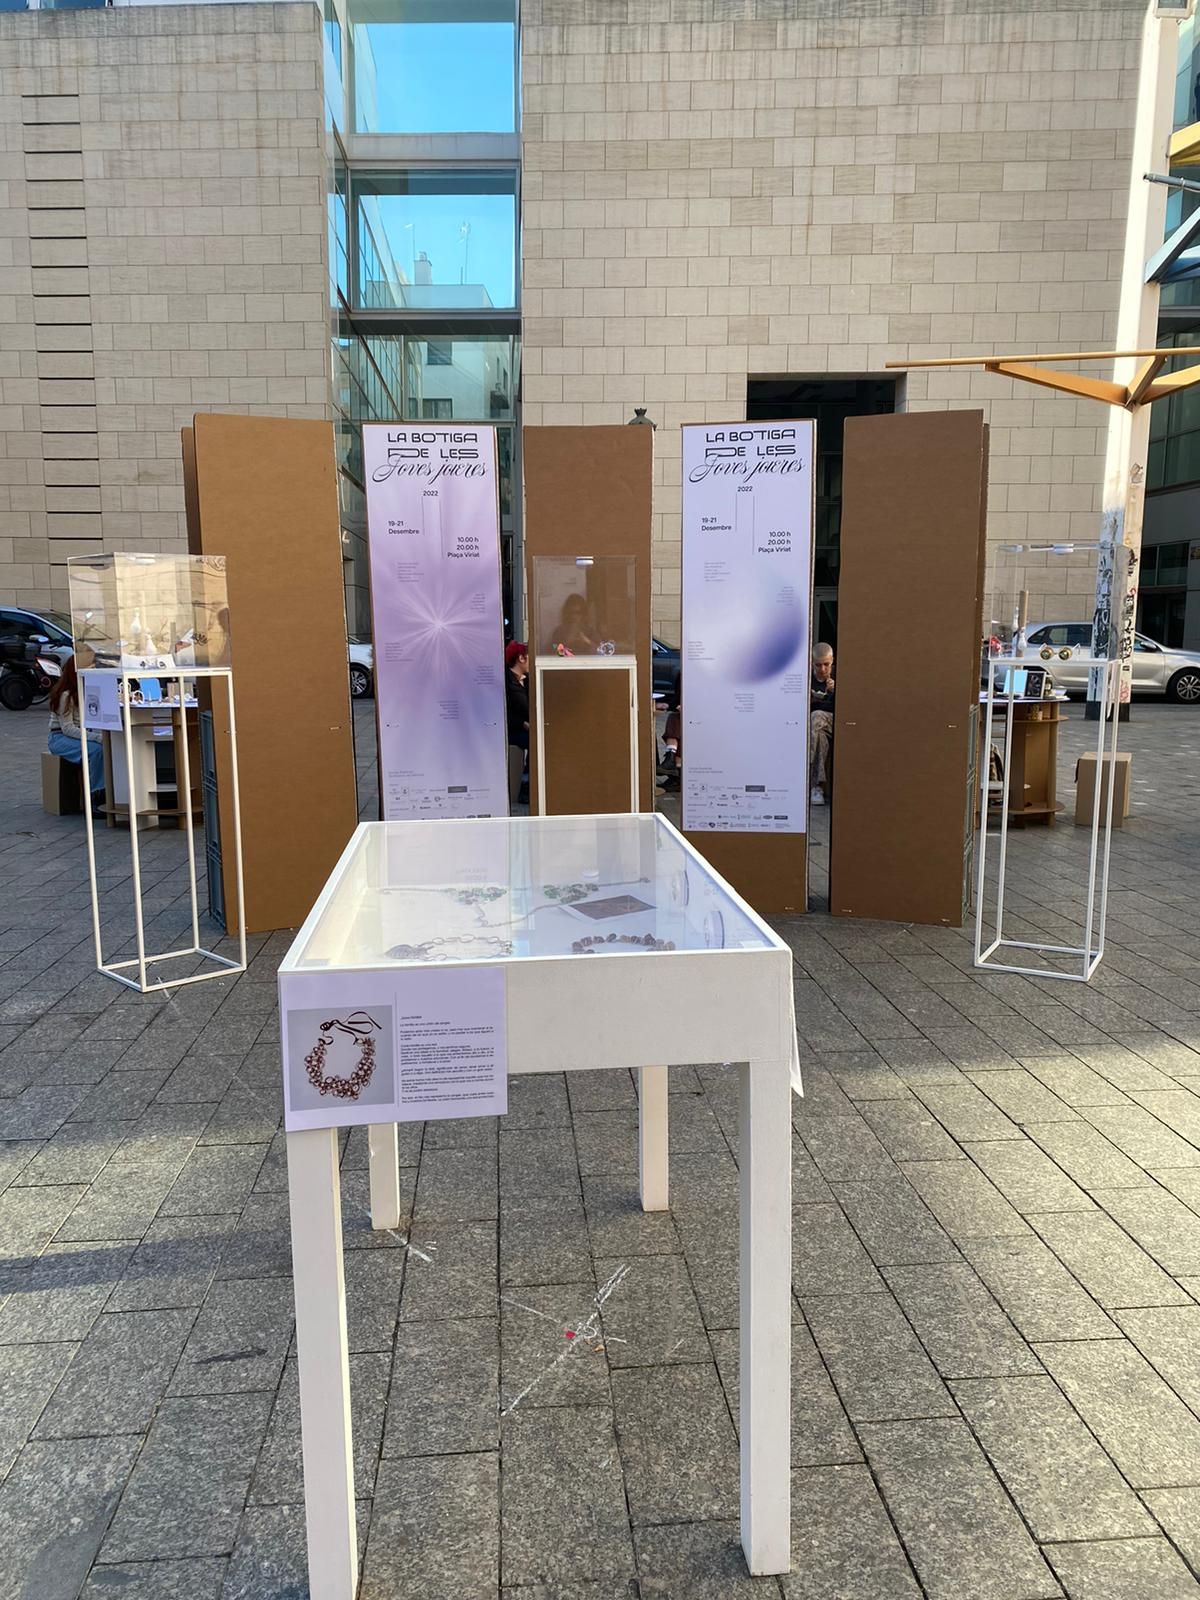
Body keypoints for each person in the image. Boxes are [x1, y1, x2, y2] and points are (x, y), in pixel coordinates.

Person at [48, 653, 104, 803]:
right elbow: (68, 728)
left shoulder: (88, 692)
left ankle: (104, 790)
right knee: (97, 750)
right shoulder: (66, 695)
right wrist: (97, 737)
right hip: (60, 737)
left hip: (79, 733)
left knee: (104, 748)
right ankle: (96, 794)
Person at [504, 640, 529, 808]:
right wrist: (523, 724)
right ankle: (526, 786)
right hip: (513, 730)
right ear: (521, 658)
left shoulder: (524, 680)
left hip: (522, 727)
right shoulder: (508, 683)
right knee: (535, 742)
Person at [810, 642, 834, 807]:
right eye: (818, 665)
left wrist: (835, 693)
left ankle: (808, 779)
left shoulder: (840, 677)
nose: (823, 669)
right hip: (814, 726)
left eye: (827, 664)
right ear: (812, 663)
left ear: (833, 661)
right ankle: (816, 786)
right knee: (820, 736)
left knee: (817, 716)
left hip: (834, 720)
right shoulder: (806, 678)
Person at [658, 668, 681, 794]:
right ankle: (673, 765)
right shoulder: (683, 673)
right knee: (676, 720)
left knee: (676, 720)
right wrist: (668, 705)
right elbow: (678, 698)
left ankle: (671, 760)